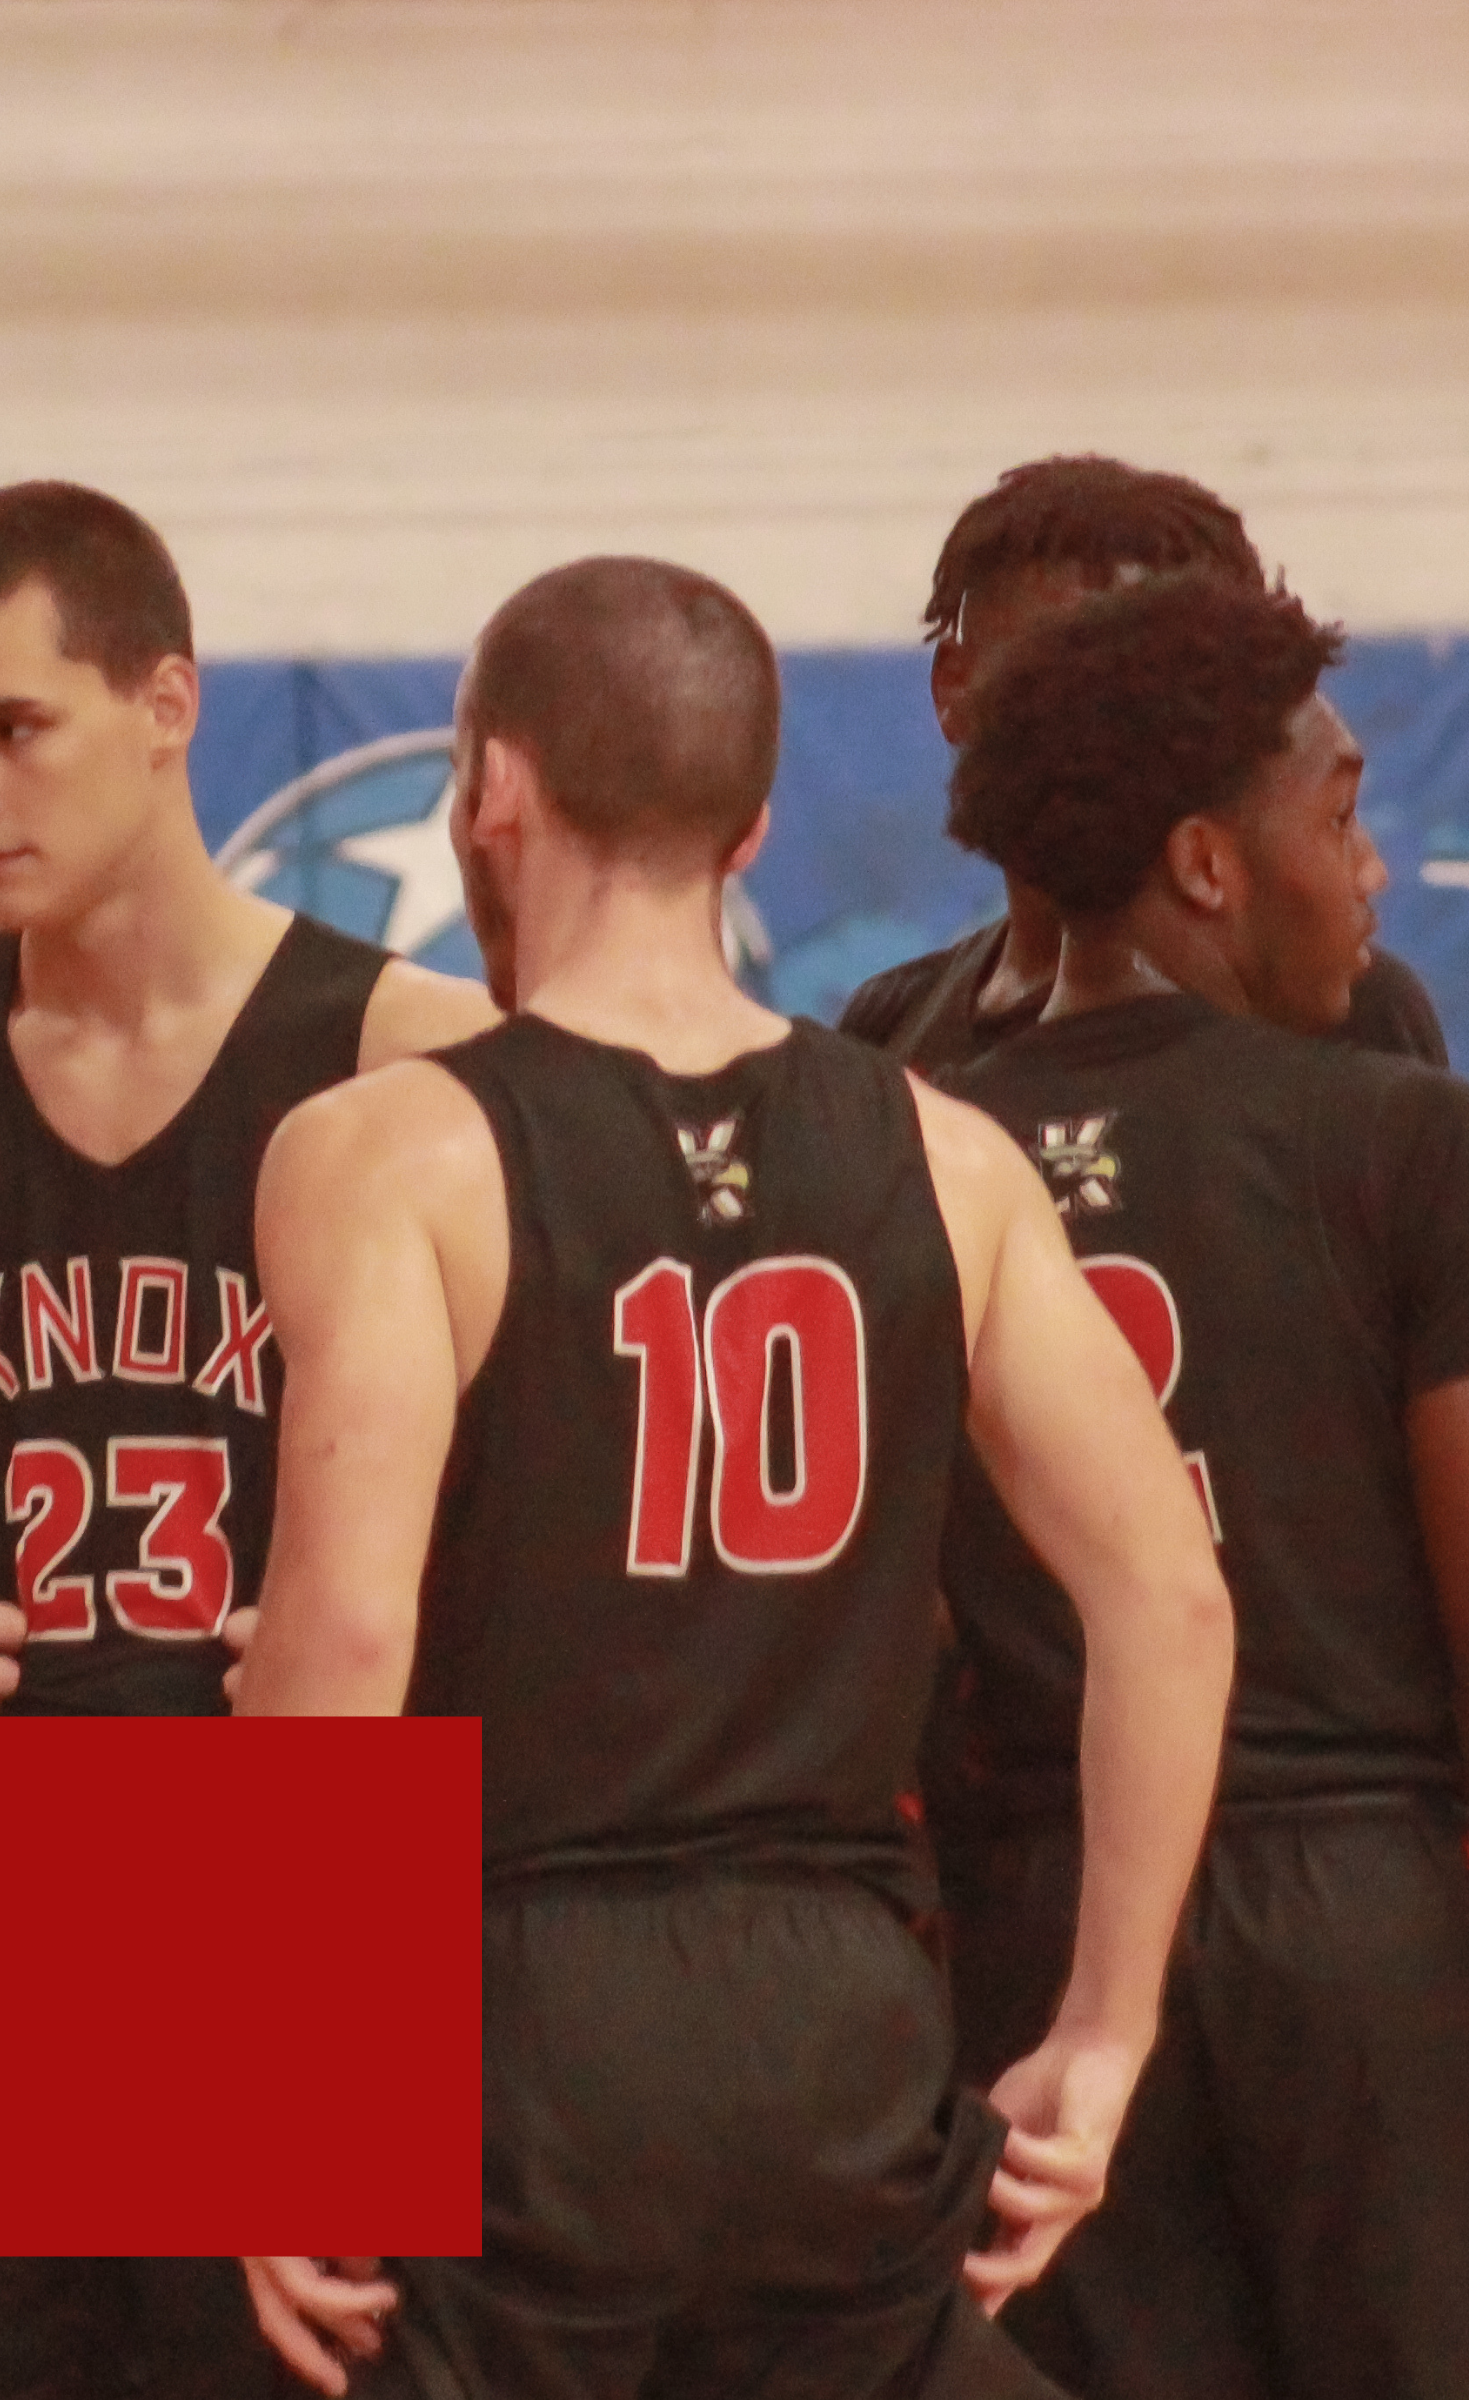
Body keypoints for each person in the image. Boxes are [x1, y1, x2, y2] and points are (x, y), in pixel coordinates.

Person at [234, 556, 1235, 2400]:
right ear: (756, 824)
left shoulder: (388, 1150)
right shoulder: (946, 1153)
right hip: (839, 2022)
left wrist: (291, 2095)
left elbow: (345, 1632)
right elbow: (1169, 1596)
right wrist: (1104, 2028)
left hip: (517, 2002)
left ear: (491, 792)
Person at [0, 480, 494, 2394]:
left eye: (17, 729)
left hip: (292, 1896)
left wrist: (380, 1633)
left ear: (168, 705)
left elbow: (550, 1493)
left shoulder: (405, 1049)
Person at [933, 570, 1469, 2398]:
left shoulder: (918, 1145)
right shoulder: (1404, 1137)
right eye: (1338, 813)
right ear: (1209, 864)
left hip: (1049, 1916)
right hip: (1361, 1920)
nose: (1374, 866)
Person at [841, 454, 1446, 1070]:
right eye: (1058, 679)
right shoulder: (890, 1028)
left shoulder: (1355, 1011)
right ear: (955, 689)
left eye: (1164, 683)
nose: (1110, 724)